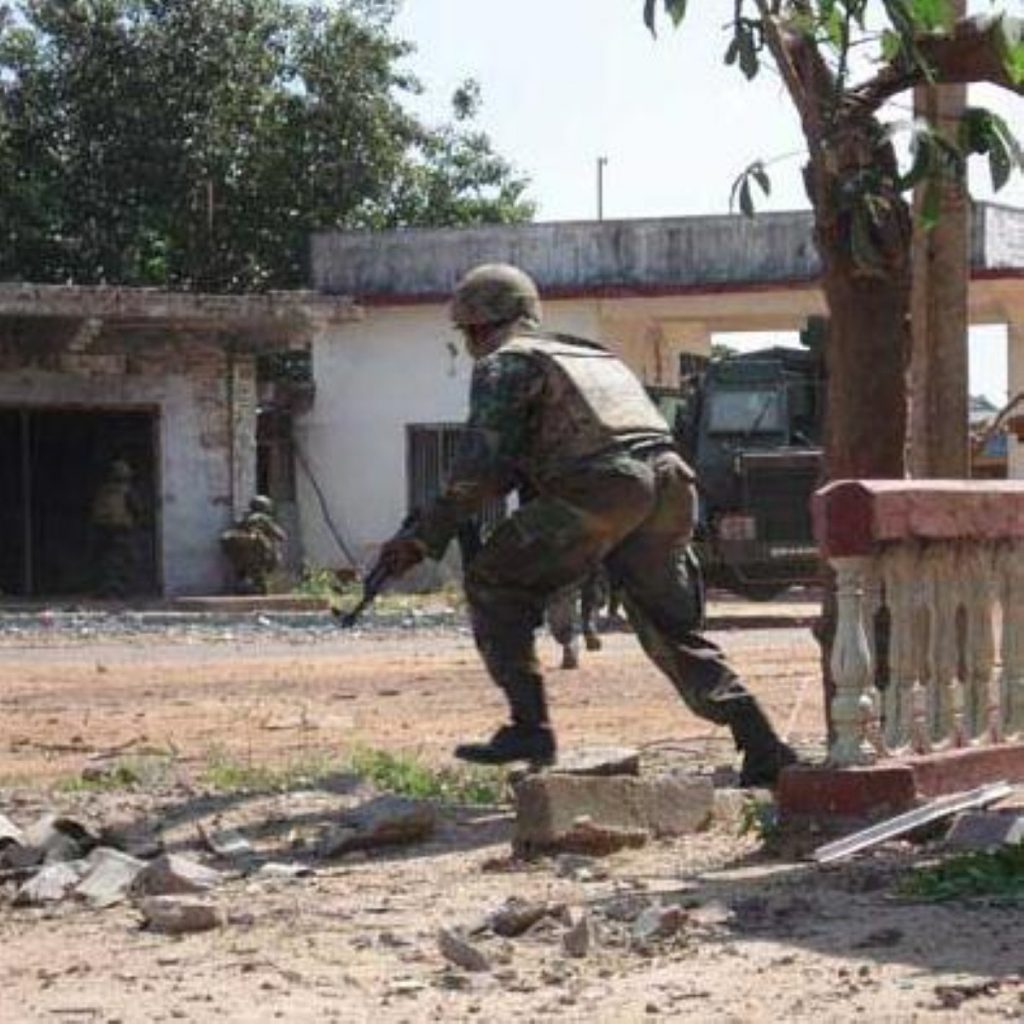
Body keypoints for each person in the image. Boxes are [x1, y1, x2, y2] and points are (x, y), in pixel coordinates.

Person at [380, 263, 797, 786]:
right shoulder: (591, 356)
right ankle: (761, 742)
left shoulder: (504, 364)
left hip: (605, 487)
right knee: (671, 630)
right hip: (671, 484)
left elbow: (479, 469)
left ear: (475, 326)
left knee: (492, 581)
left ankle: (529, 726)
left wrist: (423, 535)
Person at [90, 459, 143, 597]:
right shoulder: (123, 491)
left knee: (114, 561)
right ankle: (115, 589)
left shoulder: (106, 491)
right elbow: (138, 509)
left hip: (110, 528)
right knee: (117, 561)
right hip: (117, 529)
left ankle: (115, 589)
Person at [220, 495, 287, 594]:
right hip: (259, 553)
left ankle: (242, 590)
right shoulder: (263, 518)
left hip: (243, 555)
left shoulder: (245, 518)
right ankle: (262, 595)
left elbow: (237, 529)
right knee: (263, 574)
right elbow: (281, 536)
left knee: (245, 574)